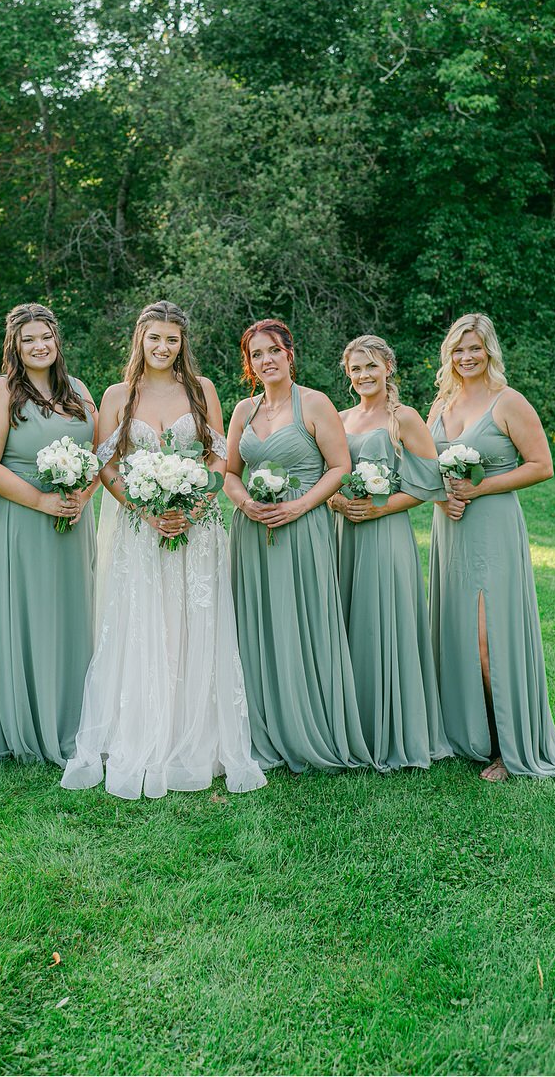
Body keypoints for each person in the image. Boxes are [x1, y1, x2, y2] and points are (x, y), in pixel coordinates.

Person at [61, 300, 265, 800]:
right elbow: (105, 464)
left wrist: (196, 505)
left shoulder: (202, 391)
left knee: (193, 624)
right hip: (139, 528)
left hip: (197, 527)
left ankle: (197, 737)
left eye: (172, 339)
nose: (163, 347)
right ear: (140, 339)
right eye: (155, 338)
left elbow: (221, 457)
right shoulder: (117, 395)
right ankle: (143, 731)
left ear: (183, 344)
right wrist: (141, 506)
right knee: (144, 622)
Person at [427, 312, 555, 780]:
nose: (466, 357)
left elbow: (541, 465)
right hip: (449, 529)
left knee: (488, 638)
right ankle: (467, 733)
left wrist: (480, 490)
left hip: (493, 526)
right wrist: (445, 495)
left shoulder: (508, 401)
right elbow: (426, 467)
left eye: (474, 347)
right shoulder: (439, 405)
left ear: (489, 350)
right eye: (458, 349)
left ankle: (507, 745)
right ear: (448, 355)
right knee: (454, 632)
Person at [225, 319, 371, 773]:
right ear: (249, 364)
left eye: (273, 351)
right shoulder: (243, 411)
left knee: (302, 621)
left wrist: (300, 507)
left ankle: (311, 726)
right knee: (258, 625)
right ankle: (261, 728)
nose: (266, 360)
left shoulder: (314, 403)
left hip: (303, 528)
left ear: (290, 354)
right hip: (251, 532)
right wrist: (246, 502)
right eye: (256, 354)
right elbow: (229, 473)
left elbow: (339, 467)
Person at [0, 303, 98, 767]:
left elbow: (98, 452)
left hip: (73, 520)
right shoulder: (1, 392)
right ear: (15, 346)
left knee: (72, 614)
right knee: (28, 616)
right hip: (23, 521)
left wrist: (82, 494)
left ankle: (76, 718)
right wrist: (42, 500)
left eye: (45, 336)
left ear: (56, 340)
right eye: (28, 339)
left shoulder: (79, 389)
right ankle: (28, 723)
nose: (39, 345)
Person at [329, 335, 452, 771]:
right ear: (348, 374)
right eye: (356, 369)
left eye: (371, 367)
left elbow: (429, 483)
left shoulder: (405, 418)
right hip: (344, 534)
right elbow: (329, 477)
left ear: (388, 368)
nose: (364, 375)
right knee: (346, 623)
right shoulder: (340, 418)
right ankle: (349, 726)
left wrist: (377, 507)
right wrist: (340, 502)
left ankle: (392, 728)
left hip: (386, 535)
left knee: (383, 623)